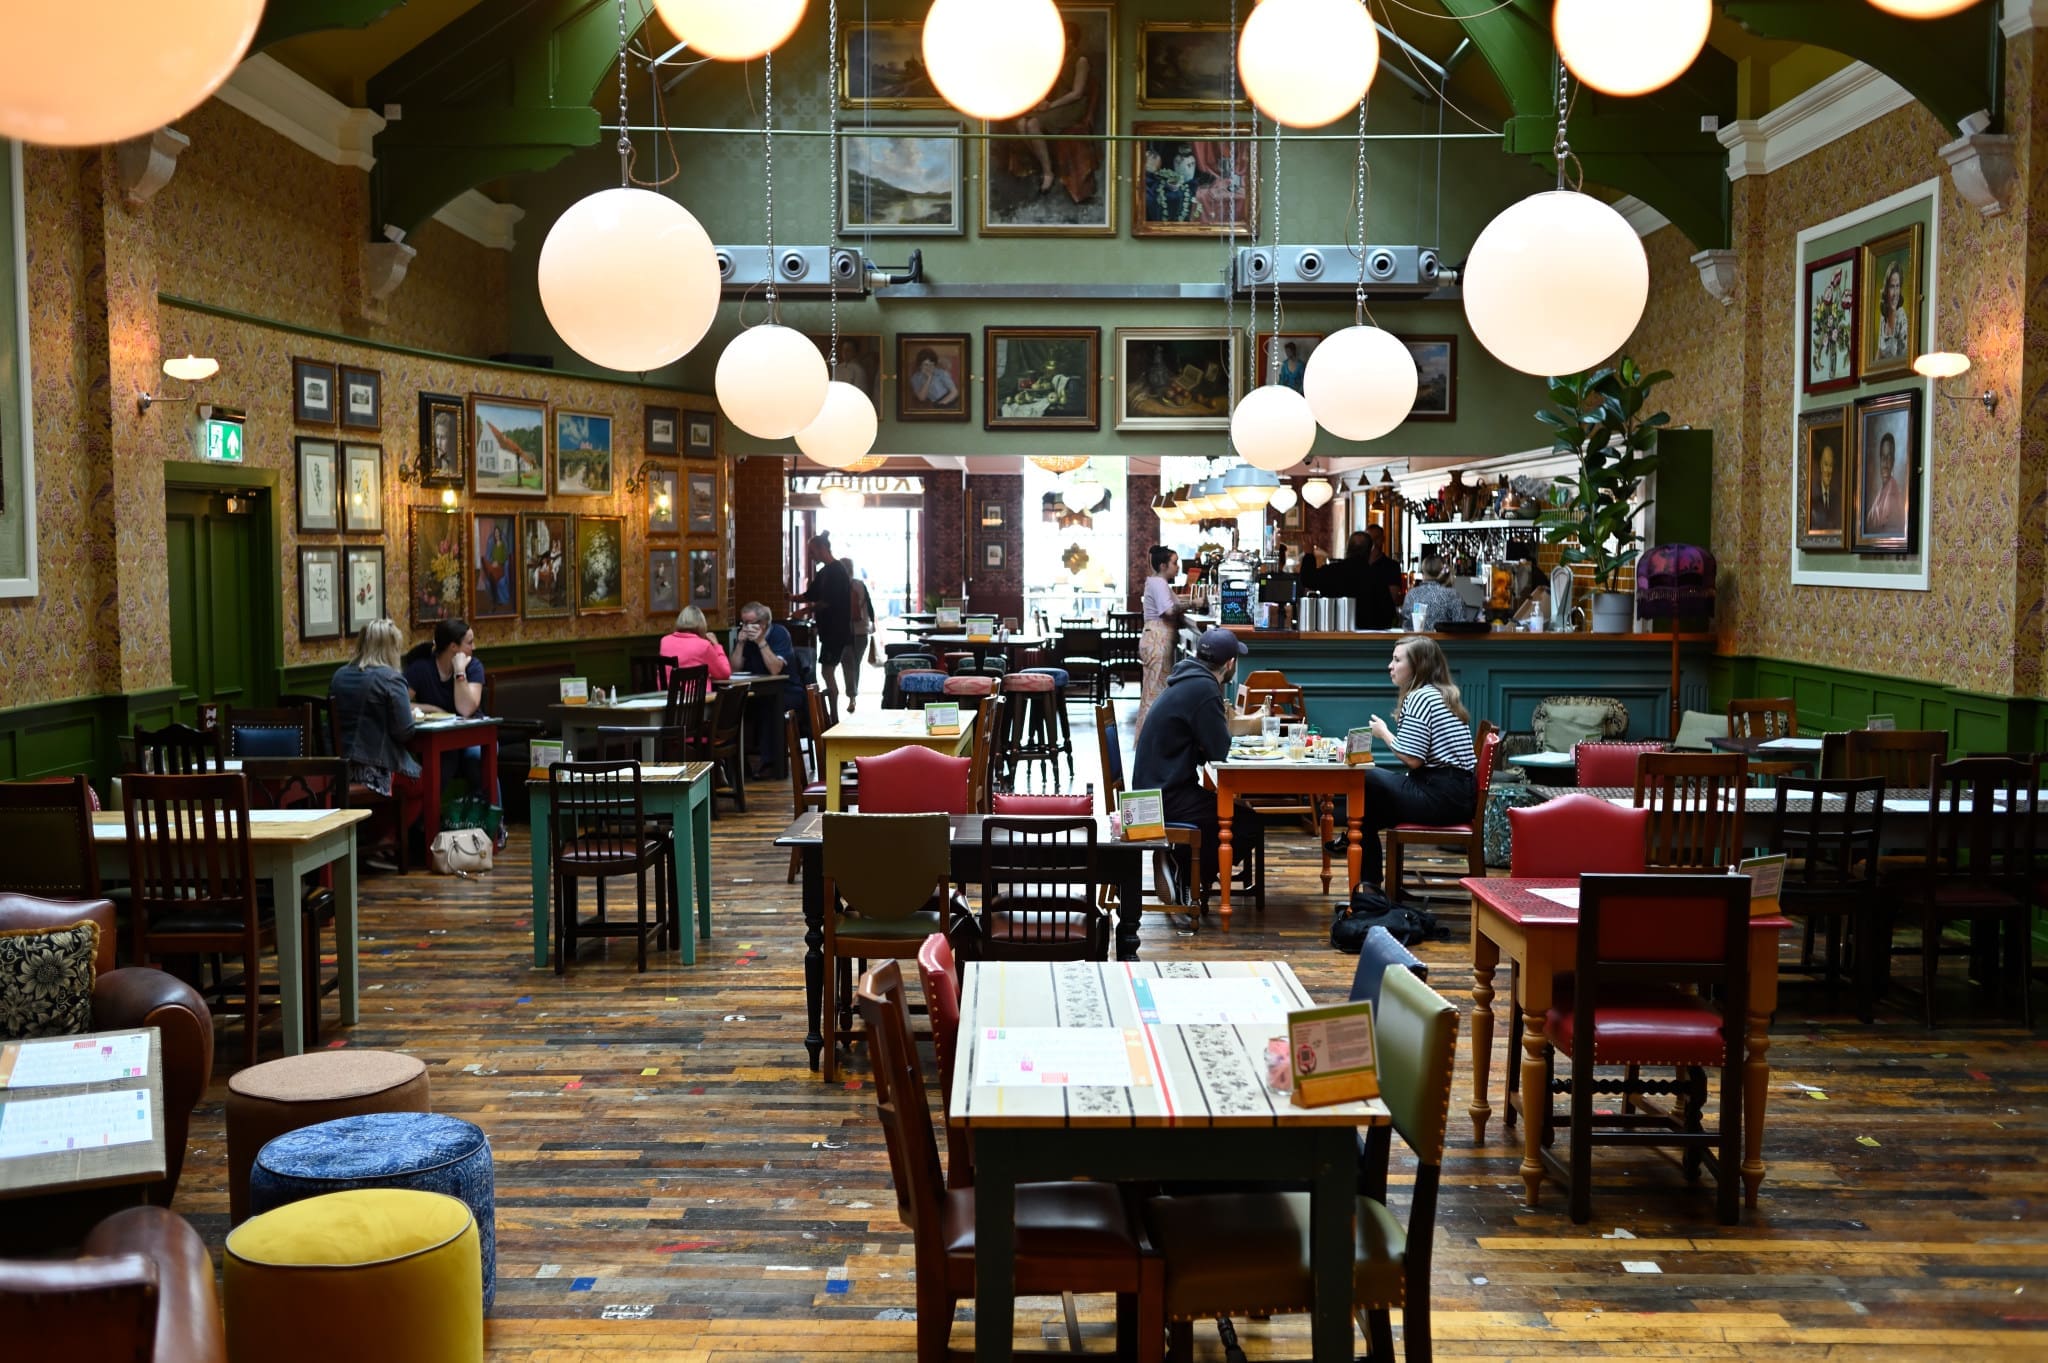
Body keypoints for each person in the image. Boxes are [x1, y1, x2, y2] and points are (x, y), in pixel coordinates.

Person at [1132, 628, 1263, 895]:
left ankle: (1182, 864)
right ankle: (1188, 877)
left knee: (1227, 812)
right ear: (1230, 664)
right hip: (1163, 799)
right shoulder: (1204, 689)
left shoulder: (1187, 680)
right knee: (1249, 823)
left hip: (1151, 792)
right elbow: (1219, 752)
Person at [1356, 636, 1478, 890]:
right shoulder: (1441, 693)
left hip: (1441, 797)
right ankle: (1369, 884)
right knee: (1365, 811)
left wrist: (1383, 732)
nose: (1390, 665)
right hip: (1459, 795)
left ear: (1417, 666)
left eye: (1397, 660)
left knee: (1362, 777)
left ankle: (1367, 878)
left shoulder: (1420, 697)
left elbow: (1413, 759)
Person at [329, 618, 418, 800]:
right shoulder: (391, 679)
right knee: (421, 784)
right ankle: (390, 830)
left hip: (337, 769)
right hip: (374, 766)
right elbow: (405, 731)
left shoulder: (339, 676)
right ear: (390, 648)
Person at [402, 618, 488, 801]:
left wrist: (459, 672)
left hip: (473, 736)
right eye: (470, 643)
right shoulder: (421, 668)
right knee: (444, 759)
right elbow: (400, 703)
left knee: (476, 760)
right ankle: (425, 821)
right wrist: (430, 708)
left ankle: (490, 820)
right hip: (438, 739)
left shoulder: (473, 666)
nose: (474, 648)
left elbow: (466, 709)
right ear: (453, 647)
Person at [729, 600, 799, 779]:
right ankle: (740, 765)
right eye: (743, 623)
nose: (746, 627)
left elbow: (775, 669)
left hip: (787, 689)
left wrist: (761, 642)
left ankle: (771, 764)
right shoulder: (745, 638)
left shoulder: (779, 634)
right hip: (756, 690)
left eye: (750, 623)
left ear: (763, 623)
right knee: (733, 709)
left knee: (770, 708)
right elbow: (734, 670)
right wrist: (741, 644)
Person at [795, 533, 854, 710]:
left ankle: (833, 716)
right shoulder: (825, 572)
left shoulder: (837, 570)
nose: (811, 556)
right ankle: (832, 714)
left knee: (827, 672)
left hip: (837, 631)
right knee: (827, 672)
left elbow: (828, 601)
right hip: (831, 631)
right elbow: (810, 595)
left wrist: (805, 610)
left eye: (812, 552)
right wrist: (788, 597)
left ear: (822, 549)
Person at [1135, 545, 1184, 737]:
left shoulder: (1157, 582)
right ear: (1163, 565)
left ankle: (1146, 742)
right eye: (1175, 563)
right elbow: (1169, 610)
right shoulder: (1159, 583)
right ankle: (1148, 743)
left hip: (1154, 637)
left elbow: (1174, 604)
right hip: (1157, 639)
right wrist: (1195, 603)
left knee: (1153, 692)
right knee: (1155, 693)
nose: (1178, 567)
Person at [839, 556, 878, 712]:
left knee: (847, 664)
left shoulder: (838, 587)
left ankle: (852, 696)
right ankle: (853, 695)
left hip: (843, 631)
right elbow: (869, 604)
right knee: (855, 664)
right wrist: (873, 624)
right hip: (862, 630)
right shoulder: (860, 585)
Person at [1344, 526, 1401, 630]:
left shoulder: (1391, 566)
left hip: (1379, 621)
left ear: (1383, 539)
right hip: (1353, 618)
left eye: (1377, 538)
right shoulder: (1354, 566)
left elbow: (1393, 596)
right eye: (1370, 539)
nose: (1374, 542)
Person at [1400, 556, 1475, 631]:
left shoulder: (1411, 594)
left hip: (1413, 642)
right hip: (1444, 643)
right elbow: (1462, 626)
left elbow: (1405, 625)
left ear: (1423, 573)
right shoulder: (1452, 595)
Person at [659, 605, 733, 682]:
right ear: (702, 624)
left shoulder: (664, 641)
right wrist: (717, 646)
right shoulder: (704, 645)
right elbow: (724, 674)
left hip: (667, 693)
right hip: (697, 693)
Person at [1865, 434, 1904, 535]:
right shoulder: (1882, 491)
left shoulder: (1893, 493)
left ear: (1893, 461)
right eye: (1883, 458)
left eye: (1889, 458)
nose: (1885, 464)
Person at [1876, 262, 1909, 360]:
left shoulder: (1902, 318)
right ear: (1886, 290)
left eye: (1897, 286)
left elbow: (1903, 358)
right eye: (1891, 287)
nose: (1895, 293)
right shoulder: (1883, 316)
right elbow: (1880, 351)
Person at [1811, 443, 1840, 531]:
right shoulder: (1811, 497)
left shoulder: (1836, 498)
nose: (1828, 471)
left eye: (1830, 466)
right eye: (1825, 465)